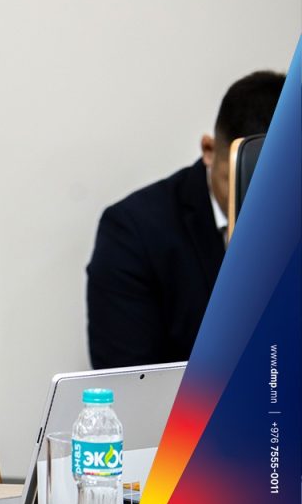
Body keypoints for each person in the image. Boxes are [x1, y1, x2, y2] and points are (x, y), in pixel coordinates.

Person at [87, 71, 285, 369]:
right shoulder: (134, 230)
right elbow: (129, 379)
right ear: (209, 150)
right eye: (246, 184)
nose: (263, 208)